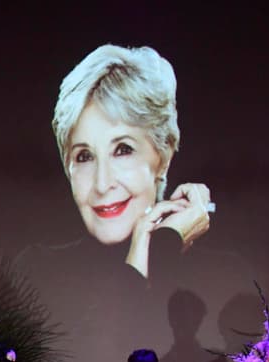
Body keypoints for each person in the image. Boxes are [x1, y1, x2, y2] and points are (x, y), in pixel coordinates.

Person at [52, 43, 213, 279]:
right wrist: (160, 248)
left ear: (163, 155)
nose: (102, 184)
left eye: (123, 150)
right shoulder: (37, 271)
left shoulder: (226, 271)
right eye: (85, 156)